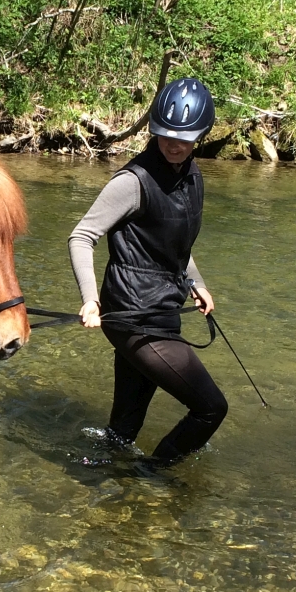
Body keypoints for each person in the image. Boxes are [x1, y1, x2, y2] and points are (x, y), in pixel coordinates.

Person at [68, 77, 228, 464]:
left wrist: (197, 283)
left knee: (124, 429)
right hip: (132, 317)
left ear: (201, 136)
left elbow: (173, 244)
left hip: (164, 310)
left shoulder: (191, 177)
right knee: (211, 408)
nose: (174, 144)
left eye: (185, 137)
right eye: (165, 135)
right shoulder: (131, 182)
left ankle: (105, 478)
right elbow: (81, 237)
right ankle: (151, 477)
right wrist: (90, 300)